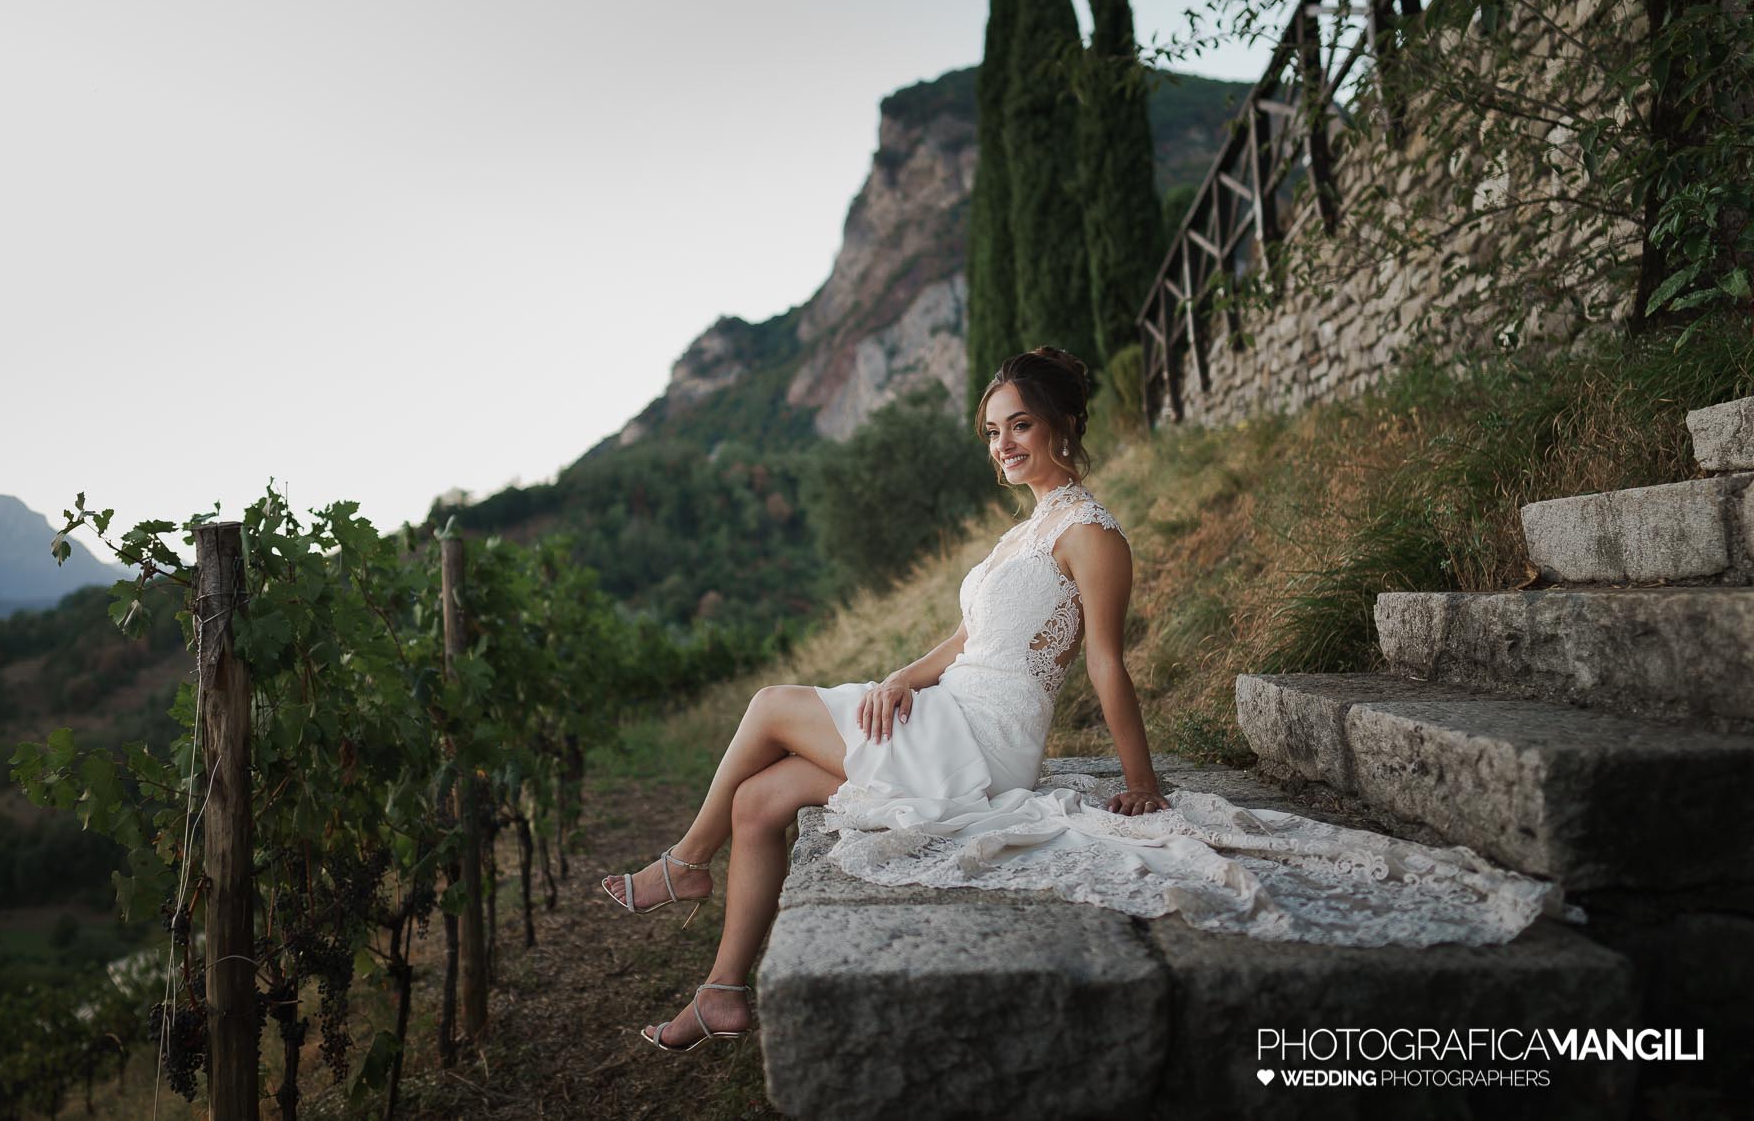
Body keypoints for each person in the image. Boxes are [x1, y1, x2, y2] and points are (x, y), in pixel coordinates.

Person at [601, 346, 1571, 1053]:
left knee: (771, 701)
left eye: (1018, 425)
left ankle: (684, 864)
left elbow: (1106, 663)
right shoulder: (1026, 529)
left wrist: (1142, 781)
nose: (1003, 444)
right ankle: (723, 990)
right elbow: (970, 637)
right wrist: (900, 674)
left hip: (981, 741)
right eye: (993, 431)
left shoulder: (1092, 535)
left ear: (1060, 424)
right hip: (943, 711)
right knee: (761, 797)